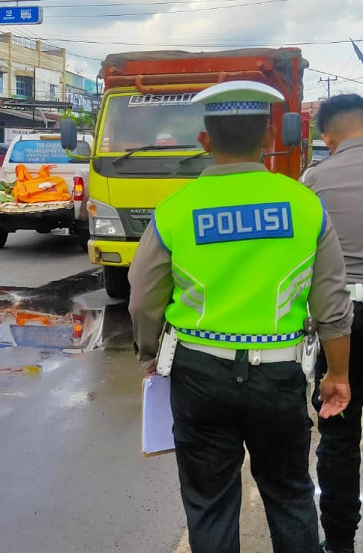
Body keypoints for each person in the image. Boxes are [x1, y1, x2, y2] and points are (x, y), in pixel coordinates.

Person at [128, 81, 352, 553]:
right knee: (290, 495)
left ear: (205, 141)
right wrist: (338, 373)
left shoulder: (174, 210)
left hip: (198, 373)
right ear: (269, 138)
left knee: (210, 503)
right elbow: (331, 302)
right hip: (280, 375)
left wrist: (150, 355)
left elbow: (143, 297)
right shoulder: (304, 204)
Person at [301, 94, 363, 553]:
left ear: (327, 137)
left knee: (339, 437)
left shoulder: (313, 182)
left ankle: (339, 543)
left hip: (341, 324)